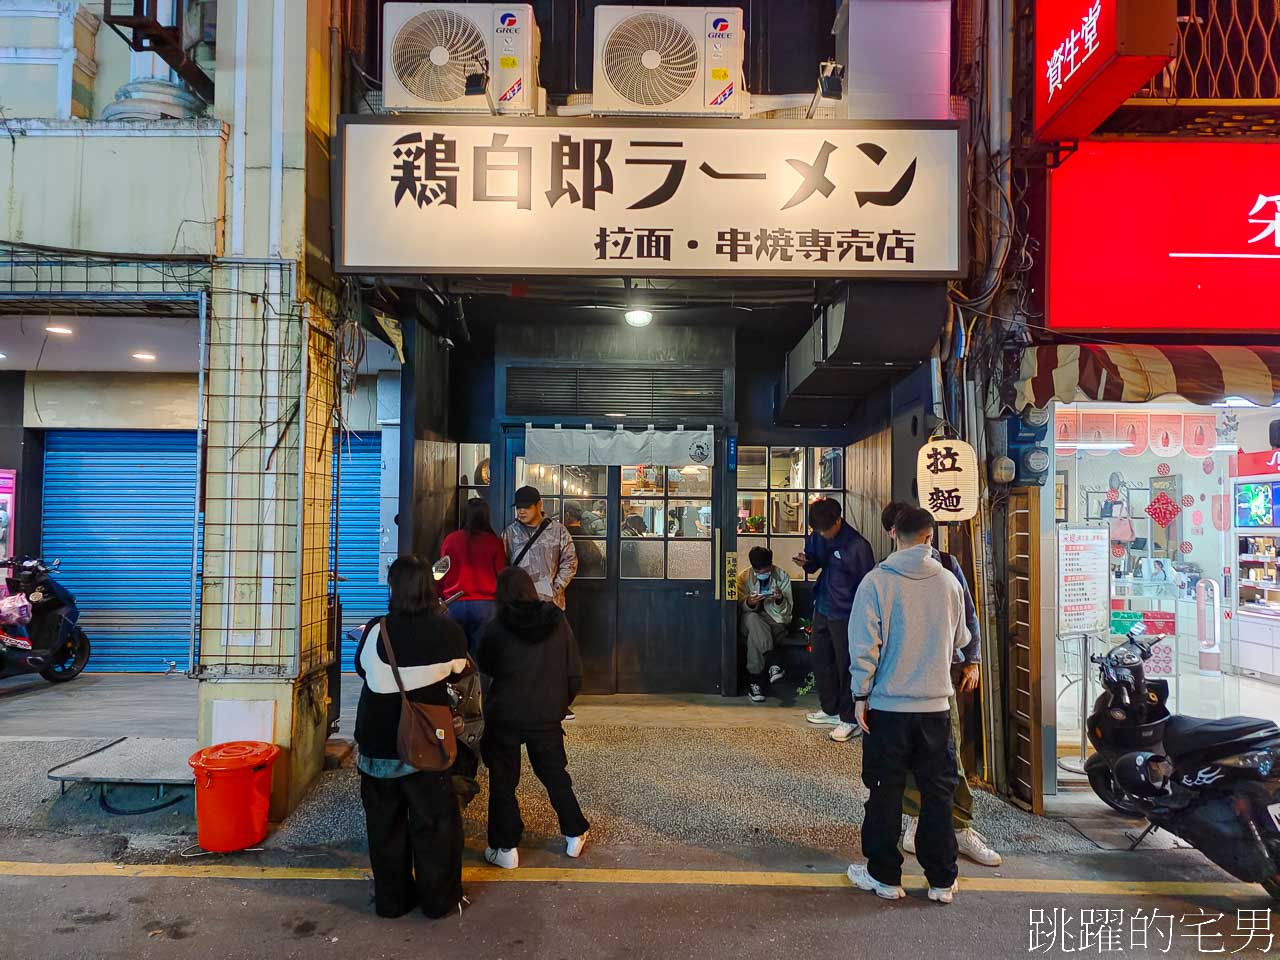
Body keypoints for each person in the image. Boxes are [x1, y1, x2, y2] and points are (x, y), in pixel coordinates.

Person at [846, 506, 969, 905]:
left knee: (884, 792)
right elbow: (960, 640)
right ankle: (941, 879)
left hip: (888, 708)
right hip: (935, 708)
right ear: (930, 537)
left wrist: (860, 696)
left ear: (893, 533)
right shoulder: (949, 582)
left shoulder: (876, 582)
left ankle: (884, 876)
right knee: (938, 794)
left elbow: (865, 647)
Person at [880, 501, 1001, 868]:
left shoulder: (947, 567)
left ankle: (958, 826)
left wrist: (973, 659)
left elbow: (968, 617)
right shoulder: (882, 575)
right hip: (897, 683)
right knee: (908, 759)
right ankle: (919, 822)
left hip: (939, 679)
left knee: (947, 757)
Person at [353, 555, 469, 919]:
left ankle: (393, 901)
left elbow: (361, 669)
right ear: (429, 589)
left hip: (377, 744)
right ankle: (439, 901)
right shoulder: (448, 632)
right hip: (425, 744)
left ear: (392, 589)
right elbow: (459, 672)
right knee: (434, 824)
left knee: (384, 827)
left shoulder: (376, 630)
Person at [476, 567, 590, 870]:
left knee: (503, 780)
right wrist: (559, 703)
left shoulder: (496, 626)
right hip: (546, 714)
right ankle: (574, 833)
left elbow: (484, 666)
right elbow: (575, 671)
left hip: (506, 715)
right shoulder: (557, 619)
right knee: (553, 773)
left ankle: (506, 847)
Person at [795, 497, 876, 743]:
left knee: (846, 665)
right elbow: (815, 562)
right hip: (823, 605)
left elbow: (867, 586)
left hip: (847, 613)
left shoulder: (858, 546)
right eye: (818, 531)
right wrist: (807, 563)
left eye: (826, 530)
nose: (822, 535)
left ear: (838, 520)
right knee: (821, 660)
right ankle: (830, 709)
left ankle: (850, 718)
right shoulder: (819, 534)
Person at [438, 499, 505, 655]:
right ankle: (479, 680)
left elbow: (439, 573)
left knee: (455, 654)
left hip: (454, 603)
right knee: (482, 655)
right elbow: (501, 574)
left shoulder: (450, 540)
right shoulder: (494, 543)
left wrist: (441, 595)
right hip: (486, 605)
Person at [502, 486, 578, 611]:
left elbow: (570, 561)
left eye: (526, 507)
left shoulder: (558, 531)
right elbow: (502, 564)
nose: (521, 511)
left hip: (549, 604)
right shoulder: (509, 533)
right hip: (518, 603)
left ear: (539, 505)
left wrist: (556, 588)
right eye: (518, 507)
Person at [736, 546, 792, 702]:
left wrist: (779, 599)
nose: (764, 574)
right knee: (753, 619)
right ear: (753, 568)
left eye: (767, 570)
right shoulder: (744, 578)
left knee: (755, 636)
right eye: (760, 572)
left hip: (774, 622)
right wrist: (749, 602)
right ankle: (773, 661)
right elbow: (739, 606)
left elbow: (787, 613)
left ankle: (755, 683)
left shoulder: (782, 576)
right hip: (749, 621)